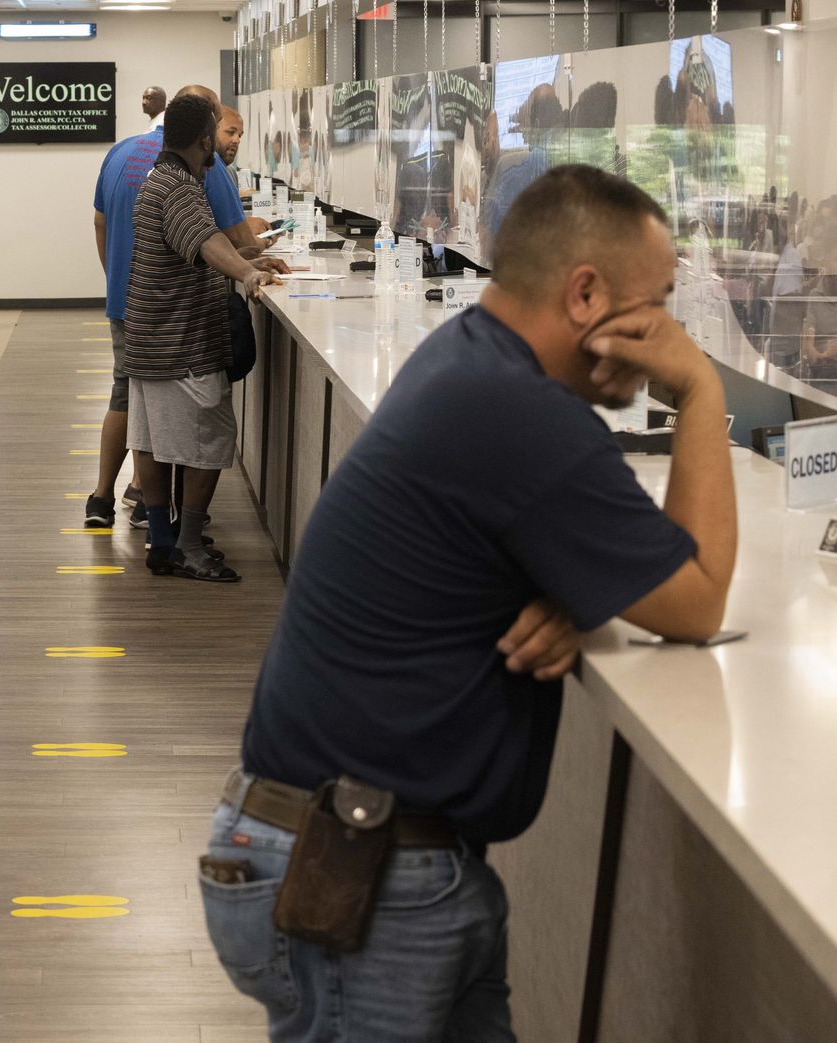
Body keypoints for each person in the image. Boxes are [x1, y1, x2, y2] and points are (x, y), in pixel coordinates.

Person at [214, 166, 738, 1037]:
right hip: (359, 872)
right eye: (660, 303)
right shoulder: (523, 413)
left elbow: (504, 541)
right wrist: (699, 388)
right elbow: (696, 600)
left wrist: (578, 592)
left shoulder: (472, 357)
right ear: (585, 293)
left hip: (367, 856)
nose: (669, 329)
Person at [87, 84, 283, 533]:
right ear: (205, 138)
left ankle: (155, 532)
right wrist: (248, 272)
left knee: (148, 430)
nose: (227, 142)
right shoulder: (182, 183)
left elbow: (170, 242)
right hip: (176, 334)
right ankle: (186, 542)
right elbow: (208, 239)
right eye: (224, 132)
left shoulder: (137, 162)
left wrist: (247, 261)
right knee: (206, 439)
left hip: (138, 314)